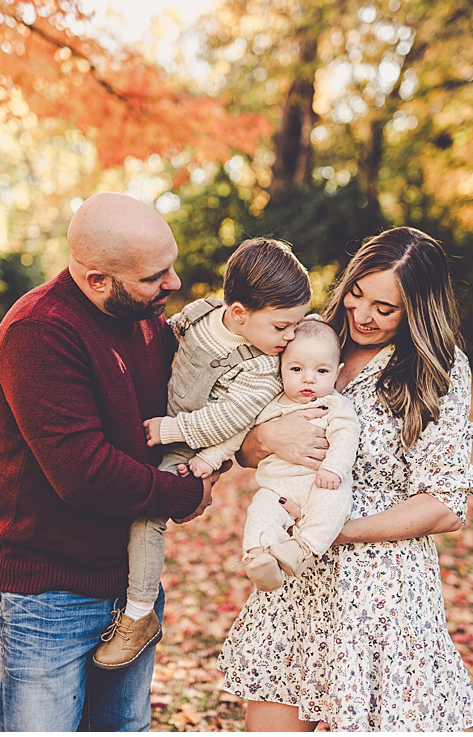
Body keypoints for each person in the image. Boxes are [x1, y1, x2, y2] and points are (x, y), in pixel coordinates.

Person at [218, 226, 473, 731]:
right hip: (294, 582)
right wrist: (271, 439)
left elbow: (447, 504)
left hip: (378, 590)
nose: (362, 315)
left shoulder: (438, 371)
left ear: (418, 311)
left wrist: (337, 531)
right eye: (357, 294)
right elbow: (245, 444)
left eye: (385, 309)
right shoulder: (308, 338)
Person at [0, 191, 219, 732]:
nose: (174, 284)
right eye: (156, 276)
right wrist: (186, 494)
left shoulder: (147, 323)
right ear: (96, 280)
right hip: (48, 588)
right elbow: (84, 472)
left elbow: (188, 414)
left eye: (171, 267)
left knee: (122, 727)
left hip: (130, 582)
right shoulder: (39, 331)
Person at [93, 239, 311, 670]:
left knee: (148, 514)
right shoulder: (202, 313)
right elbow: (159, 340)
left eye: (295, 326)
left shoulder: (263, 368)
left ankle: (139, 613)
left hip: (189, 443)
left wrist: (170, 429)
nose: (290, 338)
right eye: (282, 326)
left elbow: (227, 419)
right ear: (238, 313)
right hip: (159, 417)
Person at [211, 319, 360, 592]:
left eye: (322, 371)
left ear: (337, 373)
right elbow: (241, 434)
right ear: (280, 369)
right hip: (277, 485)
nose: (309, 378)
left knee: (333, 505)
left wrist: (334, 468)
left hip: (320, 481)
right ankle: (258, 555)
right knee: (261, 510)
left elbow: (346, 436)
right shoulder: (269, 404)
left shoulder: (335, 405)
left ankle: (301, 549)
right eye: (296, 369)